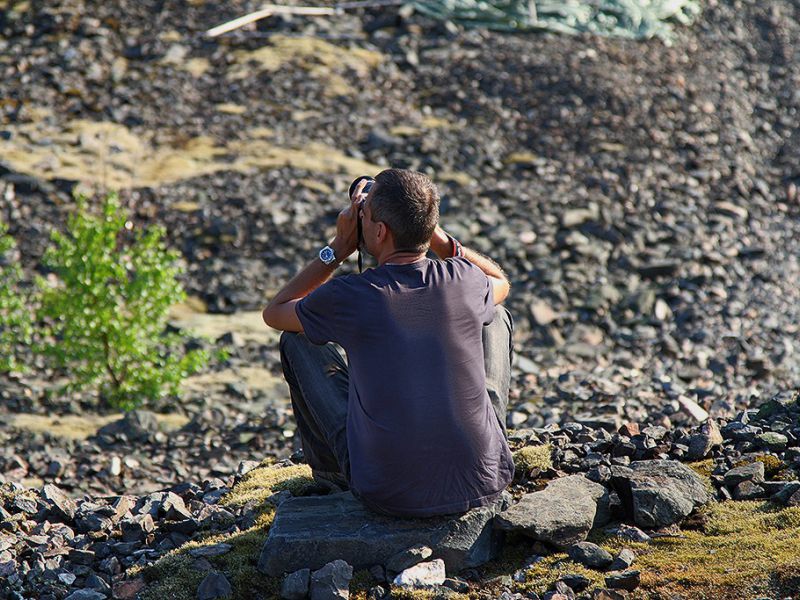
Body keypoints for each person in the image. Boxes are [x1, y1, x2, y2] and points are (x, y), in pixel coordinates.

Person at [262, 168, 515, 518]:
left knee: (298, 340)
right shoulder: (464, 279)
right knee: (495, 314)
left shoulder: (351, 295)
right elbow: (499, 280)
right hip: (485, 478)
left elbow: (275, 312)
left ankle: (332, 475)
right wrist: (437, 238)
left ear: (379, 231)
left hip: (386, 491)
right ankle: (484, 435)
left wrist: (337, 249)